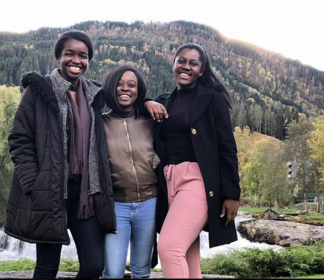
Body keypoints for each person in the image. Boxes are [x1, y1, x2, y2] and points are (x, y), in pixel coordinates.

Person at [4, 30, 116, 279]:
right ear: (58, 57)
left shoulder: (94, 95)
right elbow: (19, 139)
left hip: (86, 195)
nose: (77, 60)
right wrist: (33, 182)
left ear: (89, 61)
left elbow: (129, 97)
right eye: (70, 54)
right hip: (51, 191)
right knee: (47, 267)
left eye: (83, 56)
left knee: (94, 266)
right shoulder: (39, 91)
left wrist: (151, 102)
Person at [144, 43, 241, 278]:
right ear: (173, 64)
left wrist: (232, 194)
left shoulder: (213, 100)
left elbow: (228, 149)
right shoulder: (164, 101)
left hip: (197, 180)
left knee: (169, 247)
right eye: (181, 61)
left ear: (202, 71)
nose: (185, 66)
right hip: (168, 180)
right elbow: (131, 103)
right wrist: (147, 102)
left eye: (193, 63)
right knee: (187, 253)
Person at [101, 65, 159, 279]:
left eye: (131, 85)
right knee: (113, 273)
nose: (125, 89)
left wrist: (148, 102)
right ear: (111, 88)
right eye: (119, 84)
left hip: (149, 203)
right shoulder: (101, 123)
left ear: (139, 90)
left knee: (142, 271)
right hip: (116, 206)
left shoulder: (151, 121)